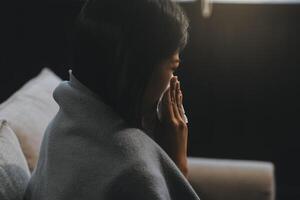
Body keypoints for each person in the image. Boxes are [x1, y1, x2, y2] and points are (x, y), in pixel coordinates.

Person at [24, 0, 200, 199]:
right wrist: (177, 168)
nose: (172, 82)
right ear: (136, 68)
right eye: (172, 67)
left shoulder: (59, 128)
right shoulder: (135, 171)